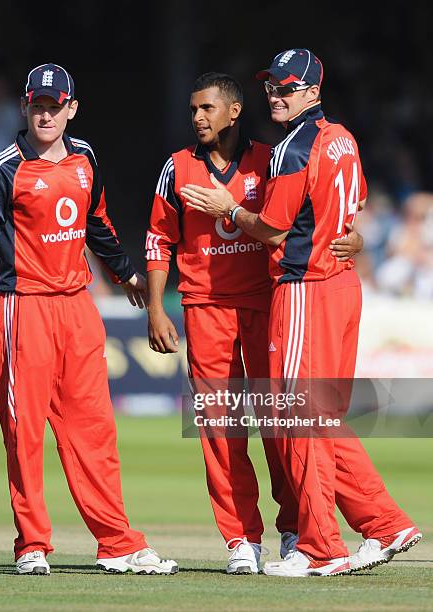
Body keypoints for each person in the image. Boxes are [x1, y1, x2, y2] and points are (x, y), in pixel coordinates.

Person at [180, 50, 421, 577]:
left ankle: (321, 548)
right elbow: (349, 213)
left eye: (287, 88)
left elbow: (273, 227)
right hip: (339, 285)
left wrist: (228, 210)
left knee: (300, 417)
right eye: (272, 86)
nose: (276, 95)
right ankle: (384, 523)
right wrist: (349, 237)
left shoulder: (292, 147)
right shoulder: (342, 137)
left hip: (305, 287)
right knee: (318, 416)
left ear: (314, 91)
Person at [0, 63, 177, 576]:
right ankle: (32, 545)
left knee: (93, 430)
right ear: (26, 108)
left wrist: (127, 275)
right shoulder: (3, 168)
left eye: (55, 106)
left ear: (71, 108)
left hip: (78, 309)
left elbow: (98, 224)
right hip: (23, 308)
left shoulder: (86, 158)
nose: (45, 115)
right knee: (24, 432)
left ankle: (117, 543)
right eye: (37, 106)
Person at [145, 72, 361, 573]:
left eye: (207, 109)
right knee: (220, 431)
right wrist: (157, 307)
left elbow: (330, 206)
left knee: (280, 425)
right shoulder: (176, 168)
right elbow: (159, 239)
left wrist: (358, 238)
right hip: (204, 307)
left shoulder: (272, 159)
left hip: (268, 303)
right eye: (193, 110)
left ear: (234, 112)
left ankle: (293, 530)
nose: (197, 118)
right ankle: (241, 539)